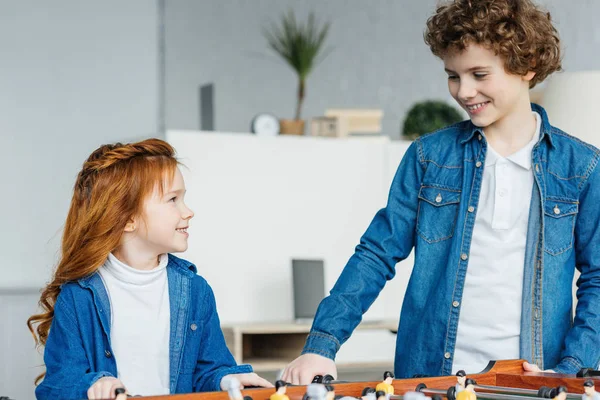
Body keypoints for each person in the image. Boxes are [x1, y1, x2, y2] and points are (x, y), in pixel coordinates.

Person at [282, 0, 600, 383]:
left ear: (527, 67)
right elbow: (375, 255)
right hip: (432, 378)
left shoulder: (581, 168)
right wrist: (322, 344)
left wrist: (569, 369)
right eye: (453, 76)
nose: (464, 91)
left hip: (533, 382)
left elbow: (597, 279)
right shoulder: (428, 157)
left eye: (479, 74)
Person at [27, 139, 272, 399]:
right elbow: (57, 386)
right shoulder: (79, 297)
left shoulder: (195, 290)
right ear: (128, 218)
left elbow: (206, 371)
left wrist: (225, 378)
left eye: (184, 198)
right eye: (173, 200)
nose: (188, 212)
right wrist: (93, 386)